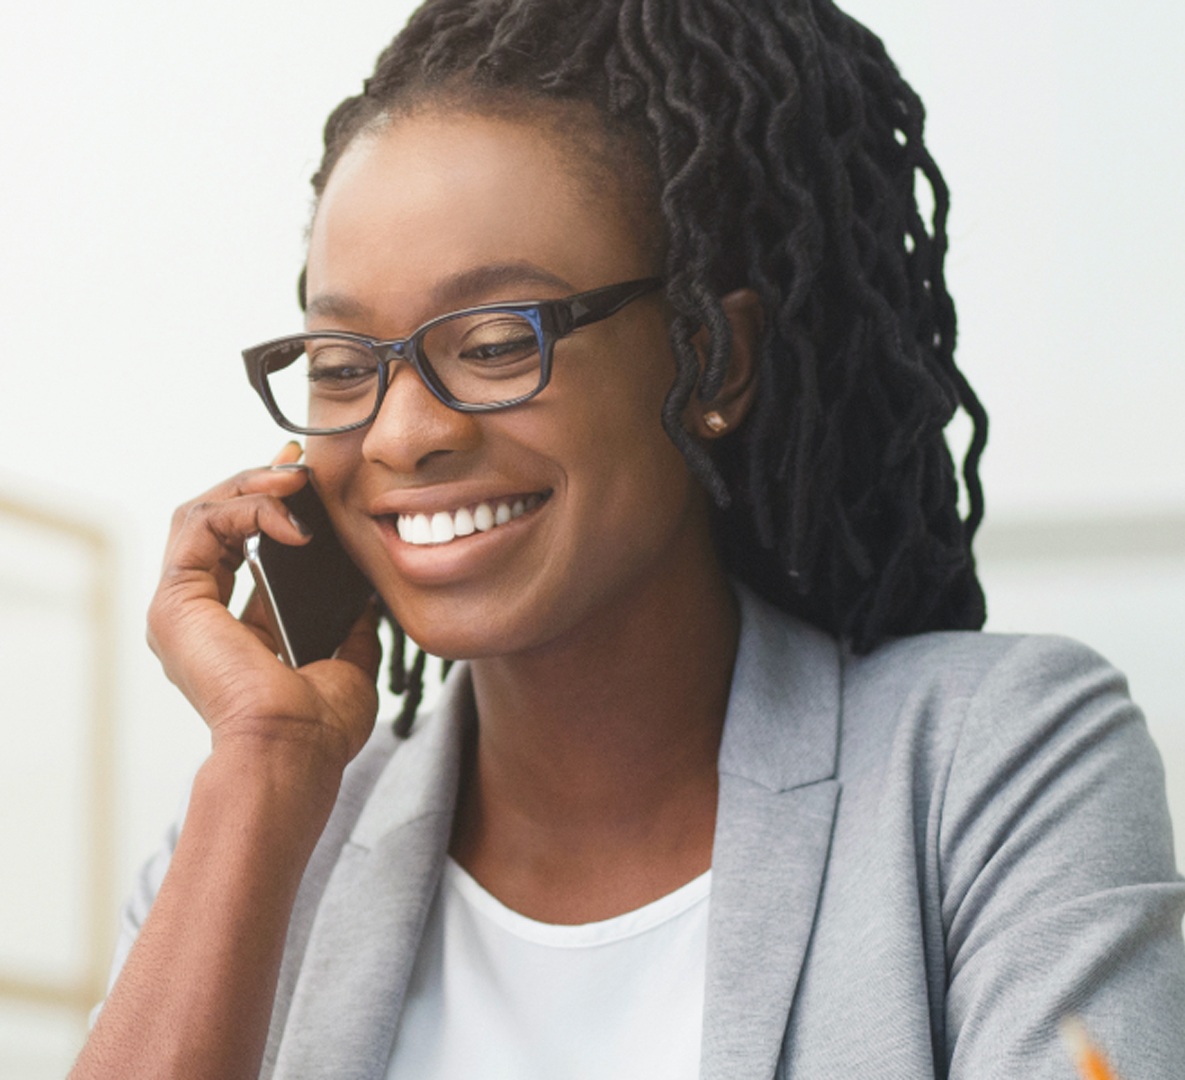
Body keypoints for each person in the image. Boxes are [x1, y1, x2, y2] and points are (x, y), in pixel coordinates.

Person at [70, 1, 1185, 1077]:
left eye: (499, 342)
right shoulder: (254, 845)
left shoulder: (991, 767)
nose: (403, 434)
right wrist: (265, 760)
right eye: (344, 367)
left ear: (712, 361)